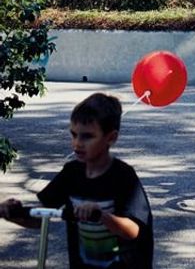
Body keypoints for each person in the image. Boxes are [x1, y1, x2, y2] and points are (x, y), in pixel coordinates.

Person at [0, 92, 153, 268]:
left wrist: (101, 216)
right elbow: (41, 218)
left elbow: (133, 230)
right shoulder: (71, 173)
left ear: (111, 137)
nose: (77, 143)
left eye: (87, 136)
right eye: (73, 135)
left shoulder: (123, 176)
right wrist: (12, 214)